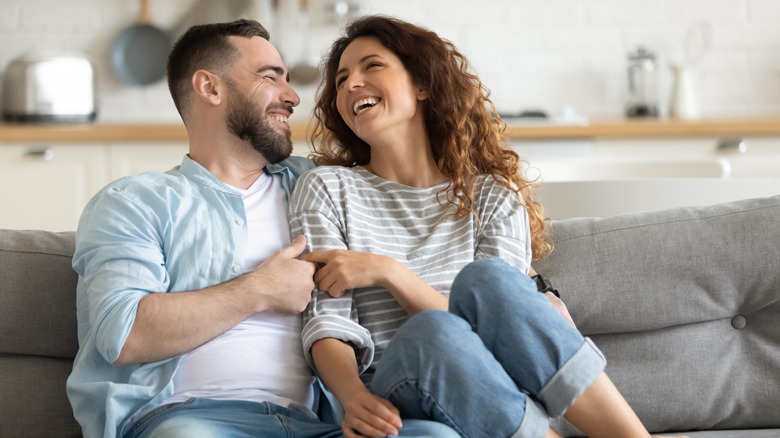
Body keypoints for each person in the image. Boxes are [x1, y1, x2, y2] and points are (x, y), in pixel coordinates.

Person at [289, 15, 689, 438]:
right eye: (340, 80)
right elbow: (327, 322)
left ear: (422, 84)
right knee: (431, 333)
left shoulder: (494, 195)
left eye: (372, 66)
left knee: (489, 281)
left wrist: (391, 273)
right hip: (398, 386)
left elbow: (504, 331)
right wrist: (353, 398)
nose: (351, 84)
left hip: (495, 392)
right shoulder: (327, 189)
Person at [66, 18, 456, 438]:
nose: (292, 97)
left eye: (288, 81)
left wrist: (534, 286)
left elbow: (424, 217)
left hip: (315, 426)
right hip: (188, 419)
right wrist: (260, 290)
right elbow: (122, 335)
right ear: (209, 87)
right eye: (271, 78)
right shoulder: (135, 202)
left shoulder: (320, 189)